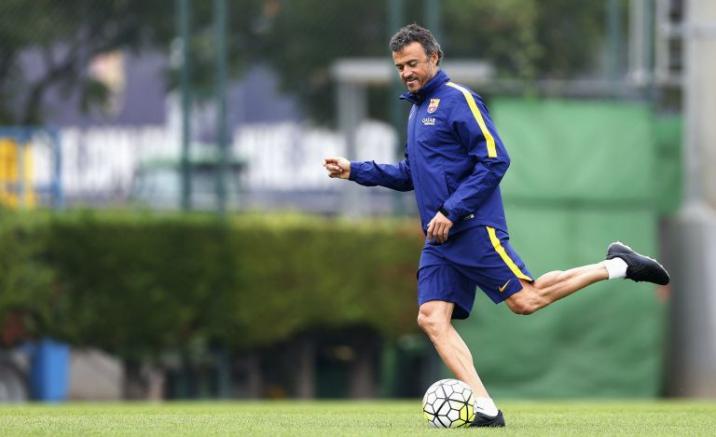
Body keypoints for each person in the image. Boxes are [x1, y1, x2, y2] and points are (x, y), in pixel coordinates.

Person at [323, 24, 669, 428]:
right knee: (431, 318)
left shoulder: (459, 100)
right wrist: (354, 171)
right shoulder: (416, 111)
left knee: (527, 300)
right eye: (400, 66)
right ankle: (485, 406)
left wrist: (451, 211)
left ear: (435, 58)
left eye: (413, 63)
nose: (406, 72)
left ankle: (618, 265)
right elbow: (408, 174)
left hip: (471, 227)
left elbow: (495, 159)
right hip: (439, 240)